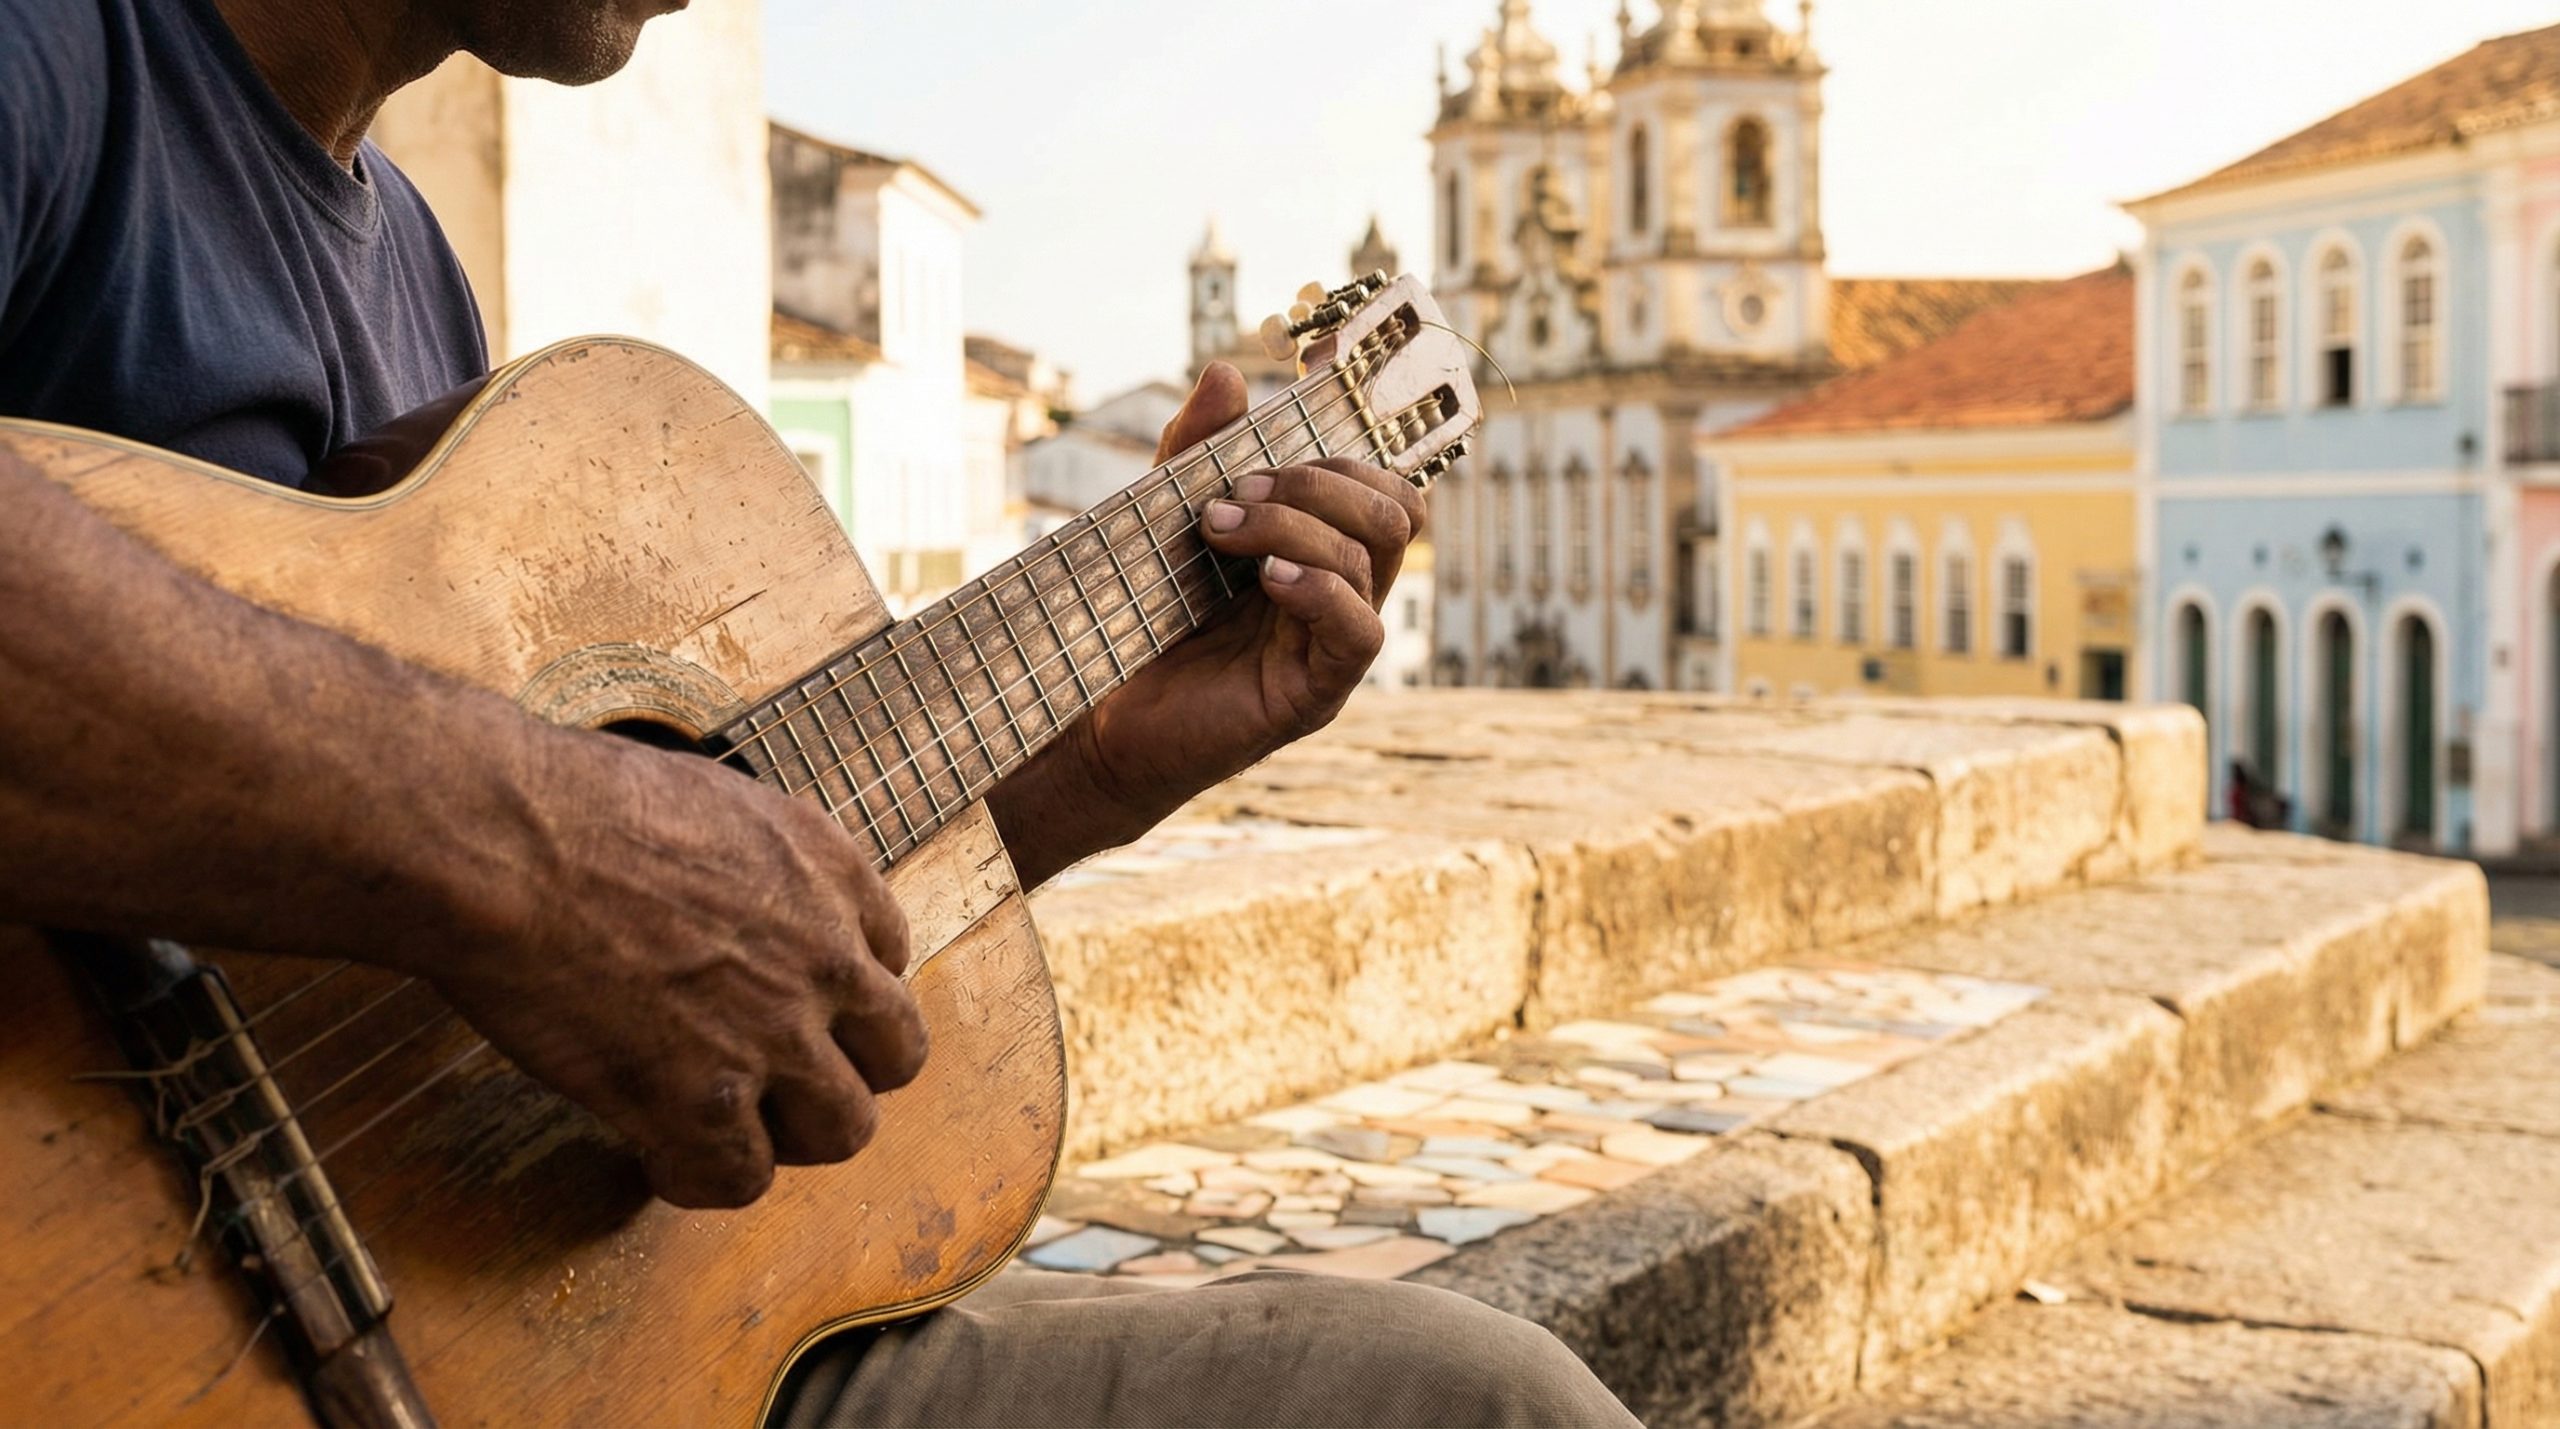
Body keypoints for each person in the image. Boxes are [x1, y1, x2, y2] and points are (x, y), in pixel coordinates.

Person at [0, 0, 1640, 1424]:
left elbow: (457, 1030)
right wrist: (544, 853)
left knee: (1478, 1400)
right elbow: (533, 866)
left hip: (477, 1342)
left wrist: (1076, 763)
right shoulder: (59, 57)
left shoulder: (415, 281)